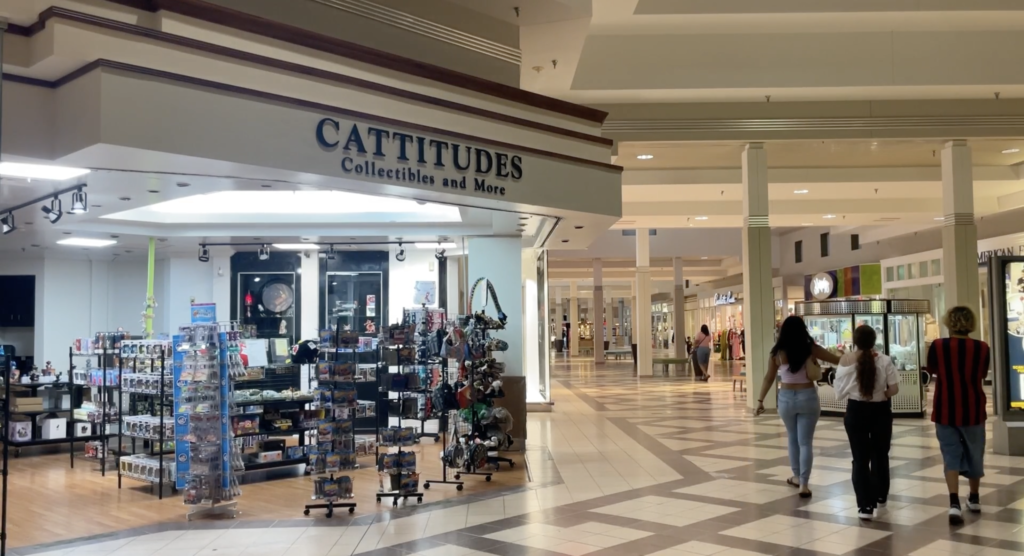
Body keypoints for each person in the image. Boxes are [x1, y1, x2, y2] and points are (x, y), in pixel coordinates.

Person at [756, 316, 840, 498]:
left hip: (786, 398)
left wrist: (760, 401)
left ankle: (795, 475)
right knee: (805, 442)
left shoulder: (777, 353)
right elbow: (836, 360)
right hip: (807, 397)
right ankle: (803, 483)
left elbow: (769, 378)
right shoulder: (810, 348)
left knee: (792, 438)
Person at [927, 306, 990, 525]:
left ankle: (954, 503)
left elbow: (933, 370)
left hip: (945, 407)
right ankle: (974, 497)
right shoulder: (982, 348)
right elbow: (982, 374)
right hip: (973, 408)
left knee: (950, 454)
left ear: (949, 322)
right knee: (975, 452)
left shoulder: (938, 345)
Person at [833, 325, 899, 521]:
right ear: (874, 340)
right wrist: (881, 395)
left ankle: (864, 506)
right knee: (881, 454)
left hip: (856, 411)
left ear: (855, 341)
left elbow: (839, 391)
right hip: (880, 411)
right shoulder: (885, 360)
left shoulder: (845, 359)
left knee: (860, 459)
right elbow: (894, 389)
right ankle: (880, 495)